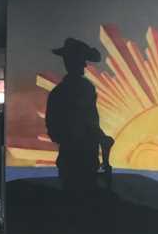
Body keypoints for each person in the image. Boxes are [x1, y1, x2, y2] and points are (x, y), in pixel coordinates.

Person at [45, 37, 112, 195]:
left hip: (76, 159)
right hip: (81, 158)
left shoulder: (59, 93)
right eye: (81, 60)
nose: (84, 64)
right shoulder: (83, 89)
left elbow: (53, 129)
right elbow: (90, 121)